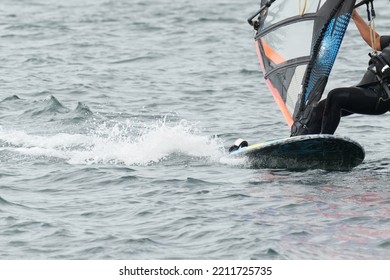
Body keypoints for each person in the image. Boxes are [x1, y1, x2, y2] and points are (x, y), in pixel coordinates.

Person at [306, 9, 390, 135]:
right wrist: (355, 16)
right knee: (319, 109)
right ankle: (302, 143)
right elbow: (376, 41)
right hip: (366, 88)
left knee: (335, 97)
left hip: (380, 96)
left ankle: (325, 143)